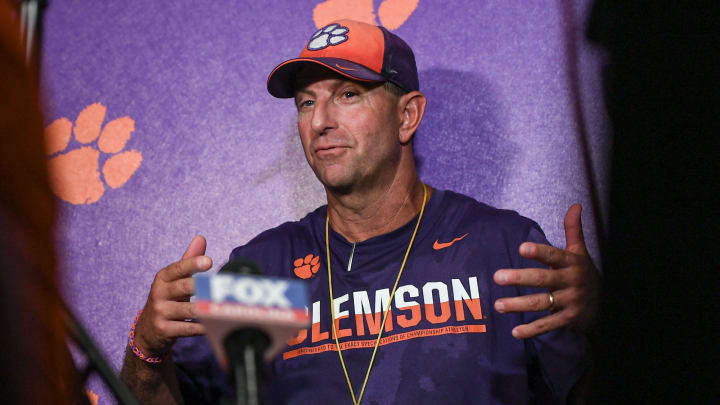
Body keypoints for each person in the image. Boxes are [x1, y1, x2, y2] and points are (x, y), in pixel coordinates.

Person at [120, 19, 599, 404]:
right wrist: (146, 349)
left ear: (407, 116)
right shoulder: (263, 274)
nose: (321, 121)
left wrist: (605, 322)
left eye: (348, 95)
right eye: (307, 103)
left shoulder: (503, 250)